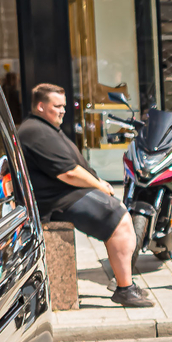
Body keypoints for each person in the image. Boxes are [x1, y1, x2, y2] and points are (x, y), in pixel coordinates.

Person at [19, 81, 151, 306]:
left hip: (65, 195)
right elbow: (68, 173)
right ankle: (124, 289)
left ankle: (125, 282)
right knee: (118, 218)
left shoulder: (43, 128)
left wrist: (98, 182)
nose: (63, 110)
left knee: (119, 214)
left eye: (64, 106)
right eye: (57, 106)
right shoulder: (35, 131)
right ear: (40, 106)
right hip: (58, 200)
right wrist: (99, 185)